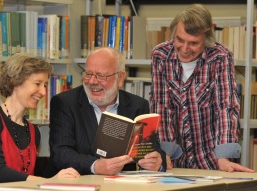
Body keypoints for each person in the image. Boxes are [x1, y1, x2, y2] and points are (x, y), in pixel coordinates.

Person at [150, 4, 254, 173]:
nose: (184, 49)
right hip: (175, 159)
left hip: (213, 158)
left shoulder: (220, 57)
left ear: (206, 40)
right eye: (180, 40)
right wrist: (165, 152)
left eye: (193, 43)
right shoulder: (160, 55)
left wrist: (224, 155)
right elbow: (161, 106)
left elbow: (226, 107)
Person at [0, 53, 80, 185]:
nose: (43, 92)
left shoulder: (34, 131)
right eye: (37, 84)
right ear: (16, 82)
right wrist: (47, 181)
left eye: (45, 85)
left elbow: (24, 180)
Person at [47, 47, 166, 176]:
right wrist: (95, 166)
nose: (92, 81)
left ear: (120, 78)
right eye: (88, 74)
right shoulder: (65, 103)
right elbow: (60, 153)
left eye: (101, 76)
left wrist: (157, 162)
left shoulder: (138, 105)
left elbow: (154, 148)